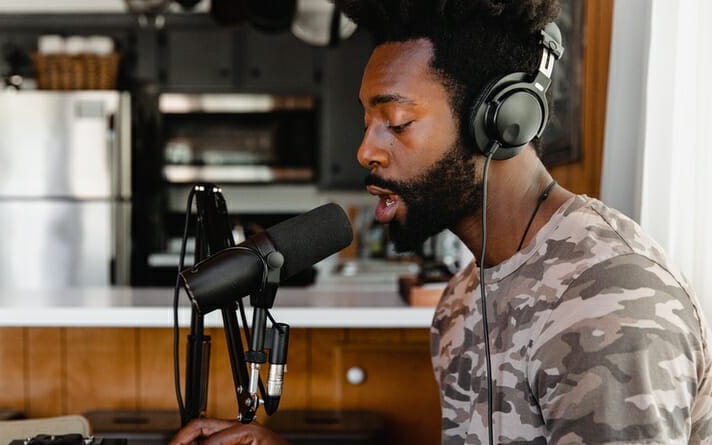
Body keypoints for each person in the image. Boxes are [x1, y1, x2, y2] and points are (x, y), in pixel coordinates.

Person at [171, 0, 712, 443]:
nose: (366, 151)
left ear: (500, 121)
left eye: (397, 121)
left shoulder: (609, 304)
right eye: (368, 121)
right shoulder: (462, 297)